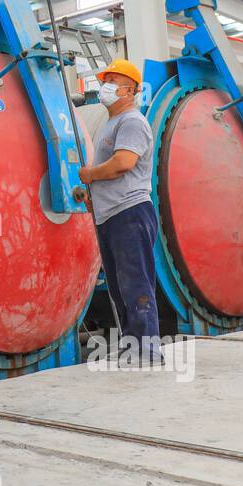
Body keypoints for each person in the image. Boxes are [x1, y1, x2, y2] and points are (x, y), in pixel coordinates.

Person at [77, 59, 161, 362]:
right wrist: (94, 196)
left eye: (113, 81)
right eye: (105, 80)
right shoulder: (111, 123)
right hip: (110, 213)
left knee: (135, 281)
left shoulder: (132, 121)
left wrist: (90, 176)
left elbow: (123, 163)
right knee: (118, 284)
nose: (106, 87)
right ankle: (132, 343)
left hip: (130, 212)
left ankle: (146, 347)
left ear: (131, 90)